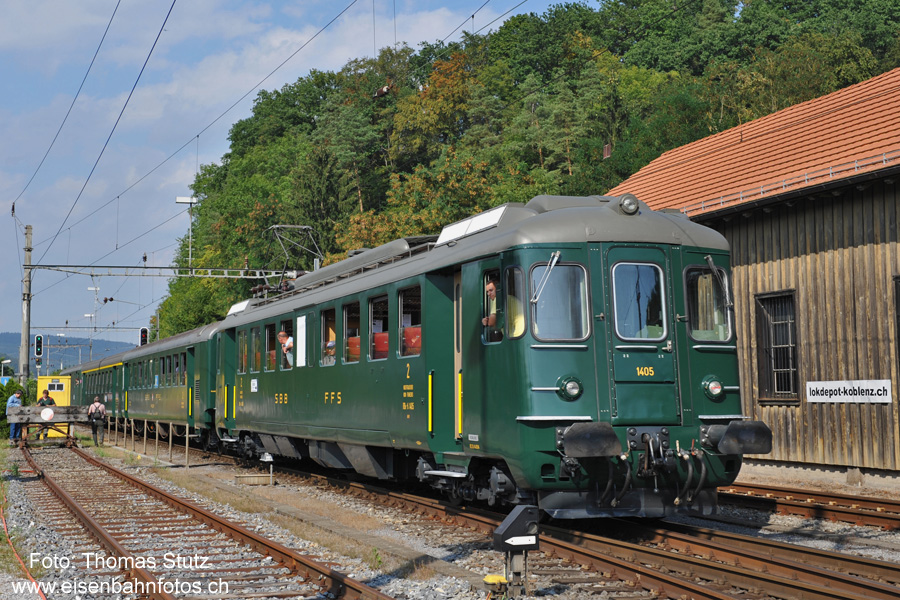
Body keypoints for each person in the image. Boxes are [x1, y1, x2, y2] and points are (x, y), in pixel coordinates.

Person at [481, 277, 503, 342]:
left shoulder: (498, 299)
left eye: (491, 290)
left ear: (498, 289)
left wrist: (486, 322)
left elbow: (491, 323)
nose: (488, 294)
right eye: (487, 292)